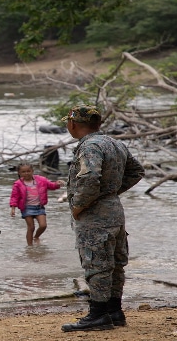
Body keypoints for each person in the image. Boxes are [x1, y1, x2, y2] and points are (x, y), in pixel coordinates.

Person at [60, 105, 145, 332]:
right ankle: (114, 312)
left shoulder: (90, 146)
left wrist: (79, 206)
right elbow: (136, 171)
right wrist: (111, 192)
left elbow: (90, 179)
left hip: (95, 214)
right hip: (114, 211)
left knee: (96, 264)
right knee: (115, 264)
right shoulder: (115, 143)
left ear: (73, 124)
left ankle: (98, 315)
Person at [9, 162, 65, 246]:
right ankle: (30, 247)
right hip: (26, 208)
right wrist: (13, 208)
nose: (26, 173)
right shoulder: (18, 184)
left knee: (43, 225)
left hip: (39, 207)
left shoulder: (41, 180)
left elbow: (51, 185)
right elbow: (14, 196)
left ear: (32, 171)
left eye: (28, 171)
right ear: (19, 173)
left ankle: (36, 237)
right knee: (31, 227)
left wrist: (57, 184)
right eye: (23, 172)